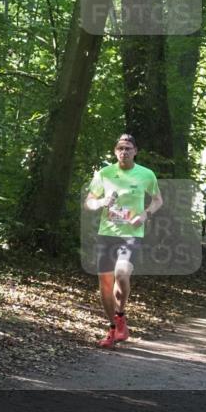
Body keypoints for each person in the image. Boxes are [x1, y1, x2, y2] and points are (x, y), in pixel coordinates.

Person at [85, 134, 163, 348]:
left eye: (128, 148)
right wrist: (101, 201)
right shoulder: (104, 173)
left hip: (131, 234)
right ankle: (113, 327)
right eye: (120, 148)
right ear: (115, 151)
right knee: (105, 284)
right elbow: (88, 203)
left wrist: (146, 214)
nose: (124, 152)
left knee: (121, 273)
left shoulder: (146, 174)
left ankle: (121, 314)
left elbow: (158, 200)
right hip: (107, 233)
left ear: (135, 151)